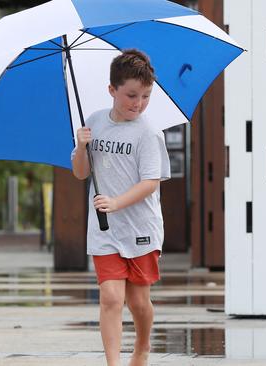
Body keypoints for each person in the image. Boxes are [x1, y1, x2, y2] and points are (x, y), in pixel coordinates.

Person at [71, 49, 170, 366]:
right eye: (131, 95)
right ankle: (113, 362)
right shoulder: (95, 122)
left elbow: (150, 183)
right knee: (111, 297)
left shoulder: (148, 132)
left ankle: (142, 345)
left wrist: (115, 202)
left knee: (138, 300)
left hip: (141, 228)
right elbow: (81, 173)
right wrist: (81, 147)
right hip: (104, 230)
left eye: (145, 96)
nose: (138, 103)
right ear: (112, 90)